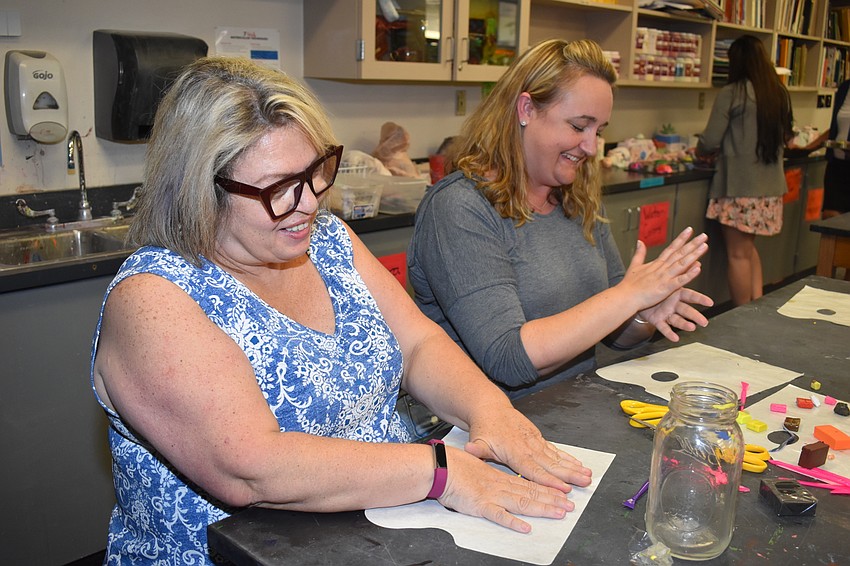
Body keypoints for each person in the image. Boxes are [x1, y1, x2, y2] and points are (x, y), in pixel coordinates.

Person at [90, 57, 595, 565]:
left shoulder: (326, 239)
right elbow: (251, 467)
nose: (308, 202)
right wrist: (440, 471)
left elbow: (417, 344)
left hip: (379, 531)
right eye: (278, 187)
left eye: (315, 172)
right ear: (203, 189)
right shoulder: (152, 298)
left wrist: (491, 412)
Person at [408, 39, 713, 399]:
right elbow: (507, 357)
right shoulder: (460, 207)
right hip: (493, 429)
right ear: (526, 109)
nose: (591, 147)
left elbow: (615, 333)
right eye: (578, 126)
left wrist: (644, 313)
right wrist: (627, 297)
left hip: (576, 410)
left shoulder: (574, 195)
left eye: (598, 131)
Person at [696, 34, 794, 305]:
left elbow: (710, 140)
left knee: (738, 255)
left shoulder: (734, 92)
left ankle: (743, 315)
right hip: (770, 189)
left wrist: (700, 152)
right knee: (748, 250)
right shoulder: (777, 93)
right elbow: (788, 136)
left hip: (741, 187)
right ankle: (757, 308)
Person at [799, 78, 850, 219]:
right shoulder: (845, 88)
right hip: (837, 167)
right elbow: (835, 129)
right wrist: (807, 148)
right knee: (830, 219)